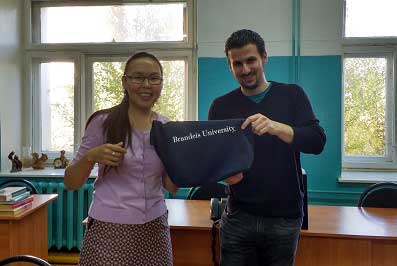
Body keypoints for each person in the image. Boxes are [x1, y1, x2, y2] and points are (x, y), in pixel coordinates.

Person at [208, 29, 326, 266]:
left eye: (251, 60)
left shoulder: (292, 94)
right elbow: (215, 158)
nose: (245, 69)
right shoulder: (220, 106)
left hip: (284, 218)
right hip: (238, 216)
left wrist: (277, 127)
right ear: (230, 66)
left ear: (264, 57)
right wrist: (223, 174)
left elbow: (317, 141)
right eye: (237, 63)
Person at [64, 52, 178, 266]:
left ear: (161, 84)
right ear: (125, 82)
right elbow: (71, 182)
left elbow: (171, 186)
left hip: (155, 228)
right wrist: (91, 157)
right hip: (109, 230)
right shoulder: (103, 122)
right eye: (137, 77)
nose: (146, 84)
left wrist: (188, 164)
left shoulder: (166, 127)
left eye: (154, 78)